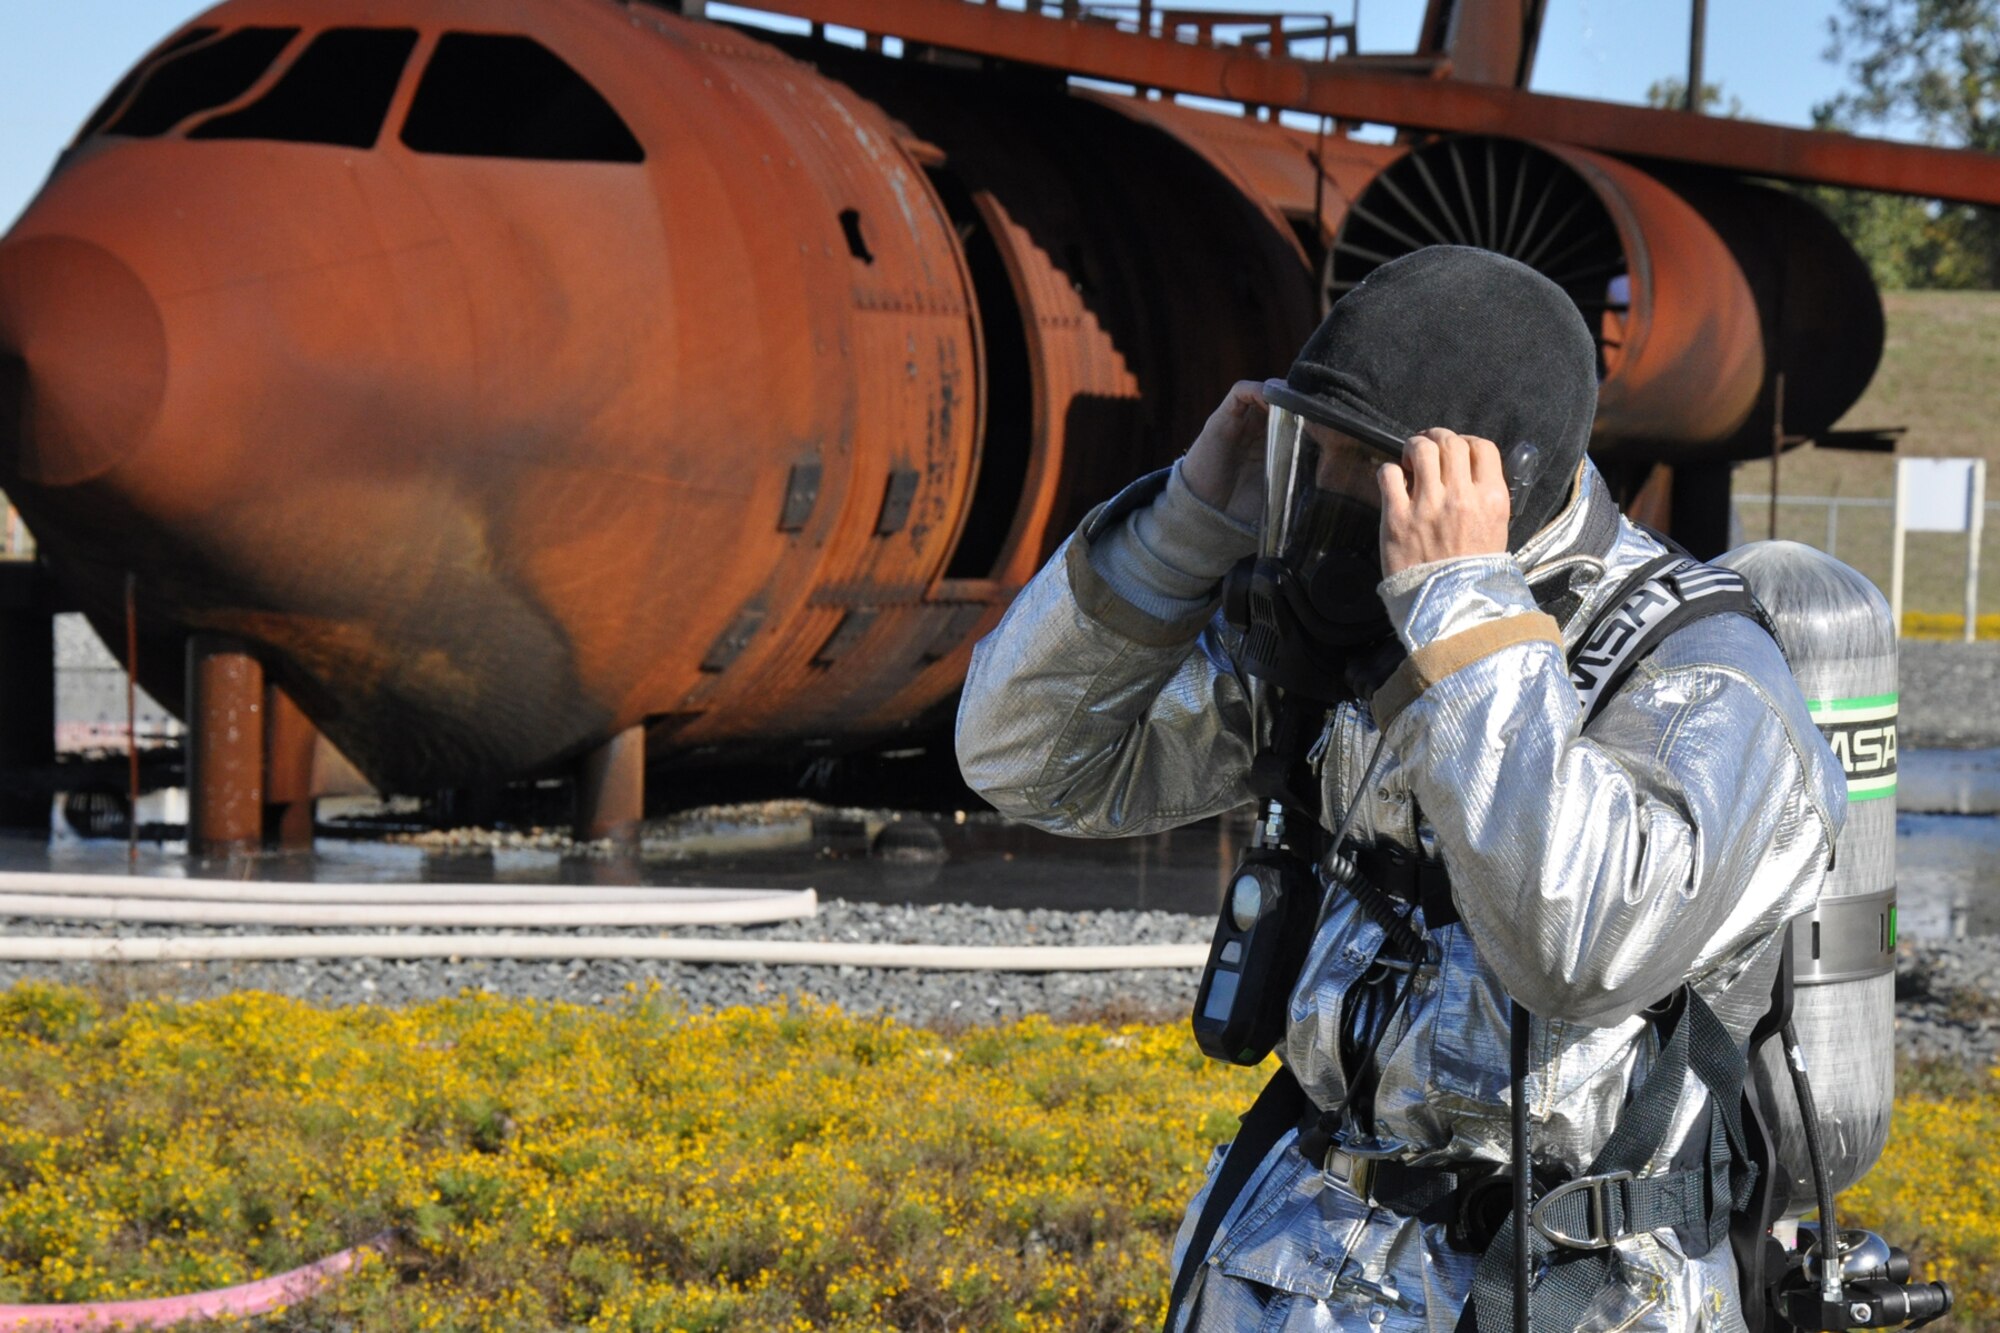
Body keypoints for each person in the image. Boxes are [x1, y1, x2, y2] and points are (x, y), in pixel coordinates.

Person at [954, 246, 1845, 1333]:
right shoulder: (1351, 628)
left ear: (1481, 481)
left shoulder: (1697, 679)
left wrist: (1458, 610)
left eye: (1358, 469)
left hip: (1564, 1285)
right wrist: (1186, 519)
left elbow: (1578, 946)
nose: (1324, 497)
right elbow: (1027, 761)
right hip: (1290, 1258)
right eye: (1308, 456)